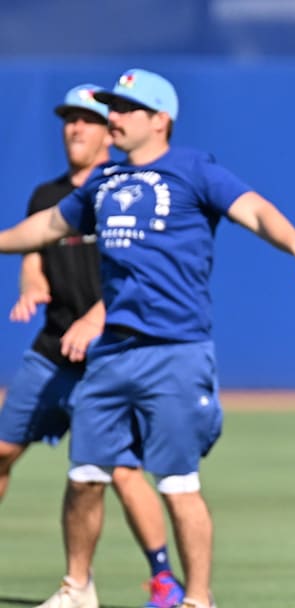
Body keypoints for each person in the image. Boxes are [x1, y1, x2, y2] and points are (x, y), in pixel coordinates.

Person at [0, 68, 295, 608]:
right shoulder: (103, 180)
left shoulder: (193, 169)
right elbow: (46, 228)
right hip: (110, 355)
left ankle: (197, 599)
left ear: (160, 119)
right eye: (112, 107)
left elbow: (254, 209)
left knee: (178, 484)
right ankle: (77, 588)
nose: (113, 117)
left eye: (125, 108)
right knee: (85, 476)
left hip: (174, 352)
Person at [0, 83, 184, 608]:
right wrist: (31, 284)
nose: (75, 128)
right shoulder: (48, 196)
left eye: (88, 118)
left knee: (120, 471)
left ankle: (164, 580)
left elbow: (142, 275)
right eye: (69, 119)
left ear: (111, 130)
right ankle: (81, 589)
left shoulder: (128, 191)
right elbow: (32, 254)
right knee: (2, 451)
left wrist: (96, 317)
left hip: (109, 355)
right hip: (53, 351)